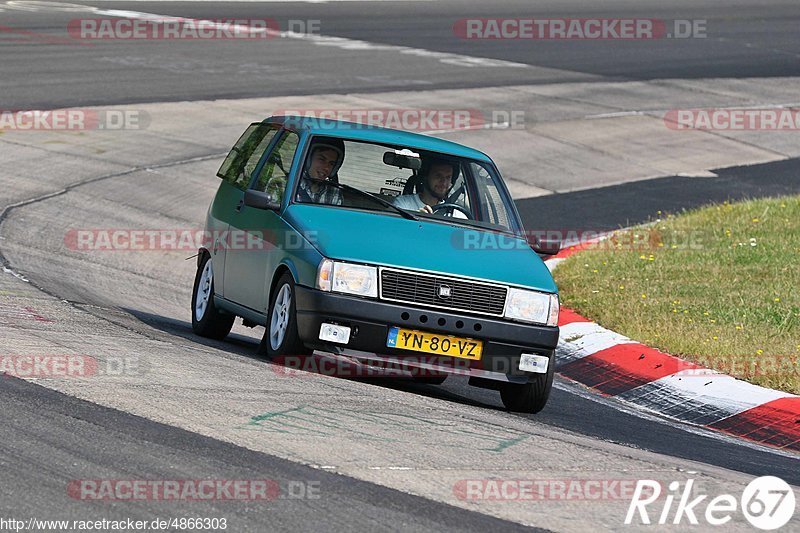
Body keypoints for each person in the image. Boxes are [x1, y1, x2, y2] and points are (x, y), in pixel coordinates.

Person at [393, 157, 467, 217]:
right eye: (438, 176)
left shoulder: (456, 214)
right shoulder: (403, 205)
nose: (444, 182)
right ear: (426, 177)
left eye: (448, 177)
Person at [295, 137, 345, 205]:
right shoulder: (286, 186)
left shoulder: (334, 194)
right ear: (308, 159)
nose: (326, 168)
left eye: (331, 163)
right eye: (321, 159)